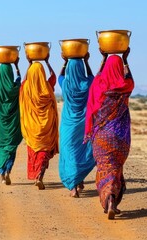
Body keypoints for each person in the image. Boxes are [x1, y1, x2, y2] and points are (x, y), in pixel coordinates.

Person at [84, 47, 134, 219]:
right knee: (116, 167)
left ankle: (109, 199)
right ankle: (113, 200)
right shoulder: (125, 86)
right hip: (120, 137)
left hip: (101, 137)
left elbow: (98, 77)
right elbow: (130, 79)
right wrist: (125, 60)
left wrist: (103, 59)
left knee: (104, 166)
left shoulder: (99, 86)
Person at [19, 54, 59, 190]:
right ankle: (40, 176)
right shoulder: (47, 87)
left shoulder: (25, 88)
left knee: (34, 152)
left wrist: (29, 64)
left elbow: (24, 80)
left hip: (31, 126)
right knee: (44, 151)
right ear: (42, 73)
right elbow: (54, 77)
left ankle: (36, 175)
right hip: (46, 125)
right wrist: (47, 62)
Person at [58, 53, 95, 198]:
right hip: (84, 122)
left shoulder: (66, 84)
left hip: (68, 124)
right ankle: (79, 179)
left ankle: (73, 186)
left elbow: (60, 77)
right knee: (82, 149)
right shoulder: (87, 84)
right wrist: (86, 62)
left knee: (70, 151)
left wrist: (65, 62)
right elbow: (92, 77)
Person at [0, 57, 23, 185]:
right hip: (12, 125)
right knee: (11, 148)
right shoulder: (16, 88)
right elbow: (20, 79)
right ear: (10, 74)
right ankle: (8, 171)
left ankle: (2, 174)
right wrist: (17, 67)